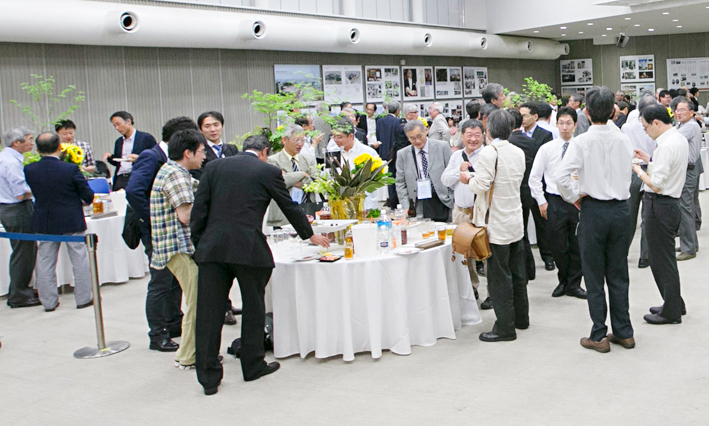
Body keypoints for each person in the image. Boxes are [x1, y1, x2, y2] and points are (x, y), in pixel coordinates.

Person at [191, 135, 329, 395]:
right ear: (264, 151)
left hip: (212, 249)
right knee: (254, 306)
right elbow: (288, 205)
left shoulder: (213, 167)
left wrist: (201, 245)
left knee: (208, 313)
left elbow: (200, 210)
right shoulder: (267, 171)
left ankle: (208, 379)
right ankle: (252, 366)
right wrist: (308, 234)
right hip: (248, 249)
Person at [556, 86, 635, 353]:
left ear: (586, 113)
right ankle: (624, 332)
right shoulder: (624, 139)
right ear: (614, 111)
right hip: (622, 210)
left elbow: (561, 177)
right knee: (618, 271)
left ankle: (599, 334)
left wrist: (574, 197)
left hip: (593, 210)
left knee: (593, 274)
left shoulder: (581, 142)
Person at [126, 117, 197, 352]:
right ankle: (158, 333)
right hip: (159, 230)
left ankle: (174, 323)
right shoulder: (152, 156)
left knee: (175, 283)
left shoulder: (173, 163)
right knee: (160, 283)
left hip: (173, 231)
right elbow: (134, 191)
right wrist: (152, 221)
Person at [461, 109, 527, 342]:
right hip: (514, 219)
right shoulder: (518, 151)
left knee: (499, 277)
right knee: (517, 272)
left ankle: (505, 327)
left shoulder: (490, 152)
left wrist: (468, 178)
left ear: (488, 130)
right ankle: (521, 318)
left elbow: (482, 185)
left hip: (495, 223)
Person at [150, 129, 207, 369]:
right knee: (197, 300)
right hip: (176, 247)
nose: (204, 156)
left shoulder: (172, 170)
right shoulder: (176, 175)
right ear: (188, 152)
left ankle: (190, 352)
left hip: (173, 246)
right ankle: (188, 355)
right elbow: (185, 215)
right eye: (202, 151)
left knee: (195, 298)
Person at [24, 132, 94, 312]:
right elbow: (87, 195)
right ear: (59, 147)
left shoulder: (30, 170)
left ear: (38, 149)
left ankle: (48, 302)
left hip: (44, 220)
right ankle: (83, 299)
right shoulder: (70, 169)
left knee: (45, 261)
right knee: (79, 259)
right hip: (71, 219)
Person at [633, 104, 688, 324]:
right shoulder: (676, 138)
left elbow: (655, 184)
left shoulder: (665, 146)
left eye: (646, 127)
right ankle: (675, 302)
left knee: (660, 260)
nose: (646, 131)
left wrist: (637, 169)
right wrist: (649, 159)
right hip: (669, 204)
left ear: (656, 123)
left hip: (660, 205)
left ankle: (671, 311)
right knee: (665, 259)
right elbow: (667, 167)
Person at [529, 107, 586, 299]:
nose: (564, 127)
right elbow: (534, 178)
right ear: (556, 124)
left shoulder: (582, 147)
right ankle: (563, 280)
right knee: (558, 245)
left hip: (578, 200)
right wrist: (541, 201)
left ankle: (575, 284)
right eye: (561, 123)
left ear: (575, 125)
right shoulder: (547, 148)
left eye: (568, 123)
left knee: (577, 244)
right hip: (554, 200)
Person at [441, 119, 484, 297]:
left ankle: (492, 293)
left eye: (477, 135)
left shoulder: (488, 154)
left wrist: (469, 174)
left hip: (480, 212)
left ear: (484, 135)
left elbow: (487, 180)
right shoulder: (456, 156)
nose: (473, 139)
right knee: (463, 254)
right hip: (460, 212)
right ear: (462, 136)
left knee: (484, 252)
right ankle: (471, 289)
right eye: (469, 135)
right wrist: (459, 172)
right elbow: (445, 179)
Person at [0, 127, 41, 309]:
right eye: (29, 139)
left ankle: (20, 289)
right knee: (24, 252)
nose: (32, 143)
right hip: (16, 209)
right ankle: (19, 294)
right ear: (16, 142)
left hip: (8, 208)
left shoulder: (6, 157)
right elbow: (20, 193)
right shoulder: (10, 162)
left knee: (22, 251)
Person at [519, 102, 555, 271]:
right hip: (521, 186)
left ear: (534, 116)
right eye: (520, 116)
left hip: (539, 184)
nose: (522, 119)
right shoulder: (516, 135)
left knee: (542, 223)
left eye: (525, 115)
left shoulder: (545, 135)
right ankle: (525, 261)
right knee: (522, 223)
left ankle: (548, 256)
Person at [507, 109, 542, 282]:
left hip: (513, 192)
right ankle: (530, 269)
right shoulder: (531, 142)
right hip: (528, 190)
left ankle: (524, 270)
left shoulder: (508, 142)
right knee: (525, 231)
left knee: (518, 234)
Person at [622, 94, 657, 268]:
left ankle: (622, 252)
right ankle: (645, 256)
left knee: (629, 214)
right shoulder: (657, 126)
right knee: (647, 216)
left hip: (632, 170)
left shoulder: (627, 127)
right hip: (650, 168)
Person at [396, 119, 454, 222]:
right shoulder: (403, 154)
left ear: (426, 131)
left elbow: (452, 173)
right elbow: (400, 183)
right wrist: (406, 206)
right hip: (418, 203)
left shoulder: (442, 147)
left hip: (441, 200)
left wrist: (451, 197)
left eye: (419, 136)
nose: (417, 141)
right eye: (412, 138)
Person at [267, 123, 317, 227]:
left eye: (302, 140)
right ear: (284, 140)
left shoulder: (308, 160)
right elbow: (279, 183)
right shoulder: (272, 161)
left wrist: (295, 181)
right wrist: (302, 174)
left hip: (307, 210)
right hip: (283, 214)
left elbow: (316, 181)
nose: (300, 144)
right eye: (296, 140)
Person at [671, 98, 703, 261]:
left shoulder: (689, 126)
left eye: (683, 110)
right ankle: (689, 243)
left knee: (685, 208)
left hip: (688, 170)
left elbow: (672, 139)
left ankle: (689, 248)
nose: (679, 113)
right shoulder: (683, 125)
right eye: (677, 110)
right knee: (687, 207)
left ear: (692, 112)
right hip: (689, 168)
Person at [331, 117, 380, 210]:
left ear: (350, 136)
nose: (336, 140)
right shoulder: (333, 153)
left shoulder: (368, 152)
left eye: (339, 137)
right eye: (333, 136)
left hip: (365, 204)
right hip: (341, 204)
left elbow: (380, 177)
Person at [103, 111, 157, 191]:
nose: (117, 128)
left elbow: (155, 157)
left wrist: (139, 158)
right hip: (120, 178)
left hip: (137, 177)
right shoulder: (119, 142)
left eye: (118, 124)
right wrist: (110, 156)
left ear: (128, 121)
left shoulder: (145, 138)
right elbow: (118, 162)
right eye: (114, 125)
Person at [192, 111, 238, 179]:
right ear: (201, 129)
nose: (212, 129)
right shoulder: (198, 151)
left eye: (216, 125)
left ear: (222, 126)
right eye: (207, 126)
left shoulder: (232, 149)